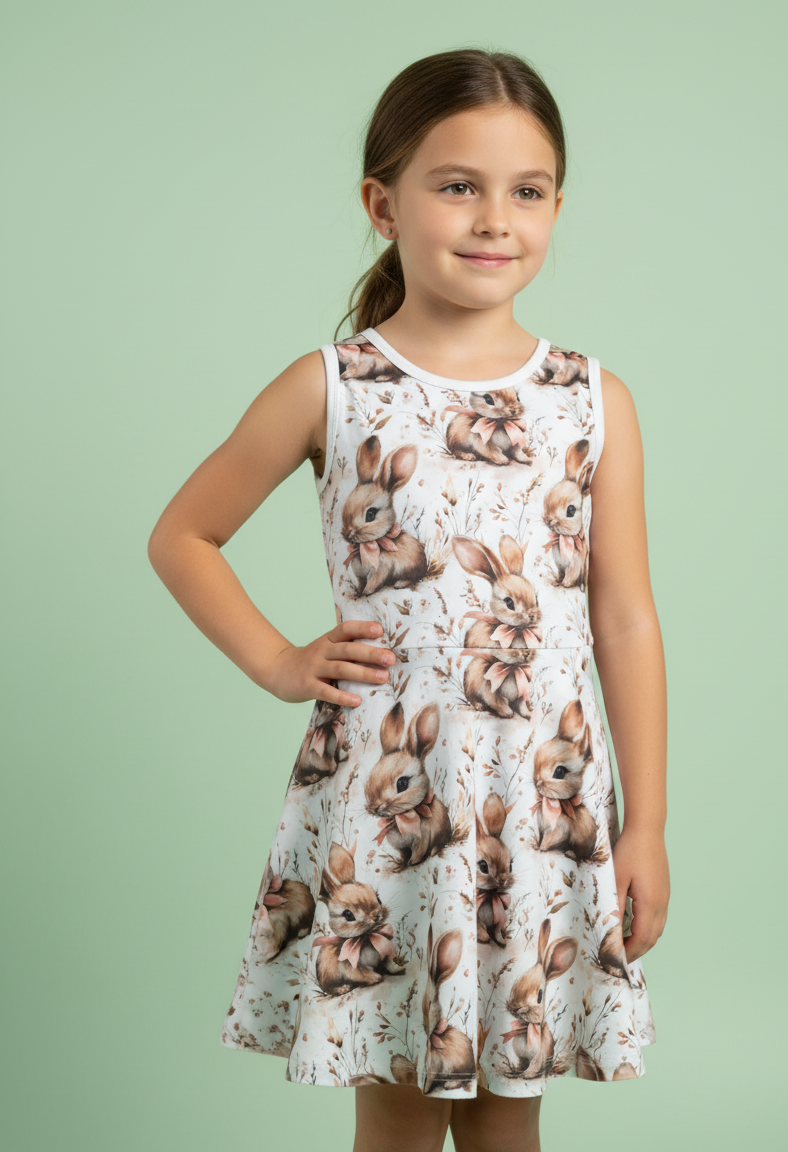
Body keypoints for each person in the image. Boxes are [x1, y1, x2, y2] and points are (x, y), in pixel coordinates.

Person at [148, 46, 670, 1152]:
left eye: (527, 191)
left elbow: (623, 618)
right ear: (382, 205)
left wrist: (648, 824)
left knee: (509, 1115)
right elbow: (183, 535)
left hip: (538, 803)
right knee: (391, 1110)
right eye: (458, 186)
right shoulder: (333, 386)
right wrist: (277, 659)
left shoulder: (592, 401)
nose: (494, 220)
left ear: (556, 207)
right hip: (389, 805)